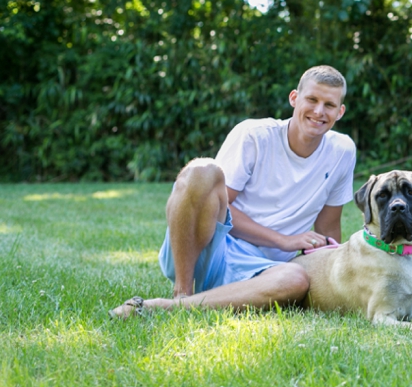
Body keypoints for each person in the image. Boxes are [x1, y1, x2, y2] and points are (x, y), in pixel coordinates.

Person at [109, 64, 356, 317]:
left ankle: (173, 309)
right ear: (294, 98)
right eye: (312, 99)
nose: (318, 111)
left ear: (340, 112)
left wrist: (340, 281)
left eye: (329, 105)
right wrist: (283, 240)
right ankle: (182, 291)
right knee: (202, 170)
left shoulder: (343, 151)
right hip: (210, 251)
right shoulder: (254, 135)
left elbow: (328, 228)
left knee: (295, 279)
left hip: (262, 272)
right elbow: (219, 207)